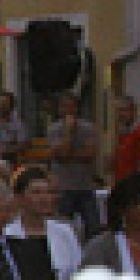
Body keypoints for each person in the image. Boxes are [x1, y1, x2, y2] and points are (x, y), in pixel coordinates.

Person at [7, 163, 83, 280]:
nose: (44, 198)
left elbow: (78, 273)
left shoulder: (64, 232)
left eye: (47, 192)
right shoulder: (7, 235)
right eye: (36, 192)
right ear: (19, 197)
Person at [47, 92, 103, 238]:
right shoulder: (54, 129)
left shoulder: (88, 128)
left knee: (93, 227)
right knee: (62, 227)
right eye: (65, 107)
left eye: (71, 106)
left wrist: (69, 154)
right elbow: (61, 155)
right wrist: (68, 133)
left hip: (85, 185)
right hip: (63, 186)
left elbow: (89, 154)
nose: (68, 110)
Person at [111, 94, 140, 183]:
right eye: (118, 111)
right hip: (121, 185)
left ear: (133, 110)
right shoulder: (123, 134)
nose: (120, 115)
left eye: (123, 110)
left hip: (133, 187)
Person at [0, 89, 29, 161]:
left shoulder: (18, 124)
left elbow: (23, 144)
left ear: (11, 106)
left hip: (9, 159)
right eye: (0, 103)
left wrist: (6, 150)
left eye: (5, 103)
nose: (1, 106)